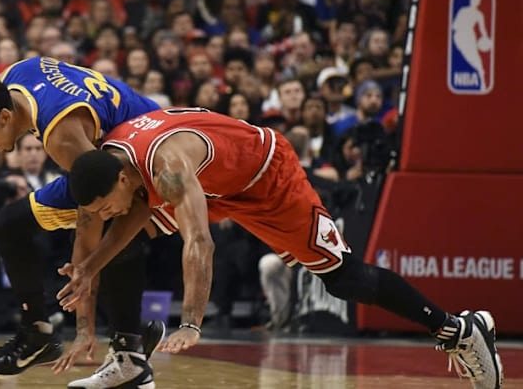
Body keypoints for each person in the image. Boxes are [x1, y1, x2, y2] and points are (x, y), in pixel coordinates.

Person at [58, 107, 503, 389]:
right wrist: (89, 268)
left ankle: (457, 330)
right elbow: (129, 213)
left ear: (121, 179)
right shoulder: (115, 159)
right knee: (129, 243)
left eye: (105, 206)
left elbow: (199, 242)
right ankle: (132, 353)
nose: (108, 213)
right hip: (215, 186)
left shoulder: (167, 166)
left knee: (344, 280)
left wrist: (192, 322)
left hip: (266, 178)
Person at [0, 56, 165, 387]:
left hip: (151, 159)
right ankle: (40, 334)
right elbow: (7, 130)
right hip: (110, 152)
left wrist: (83, 325)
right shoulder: (12, 78)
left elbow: (88, 224)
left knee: (112, 233)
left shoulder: (62, 138)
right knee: (8, 224)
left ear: (3, 116)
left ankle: (127, 352)